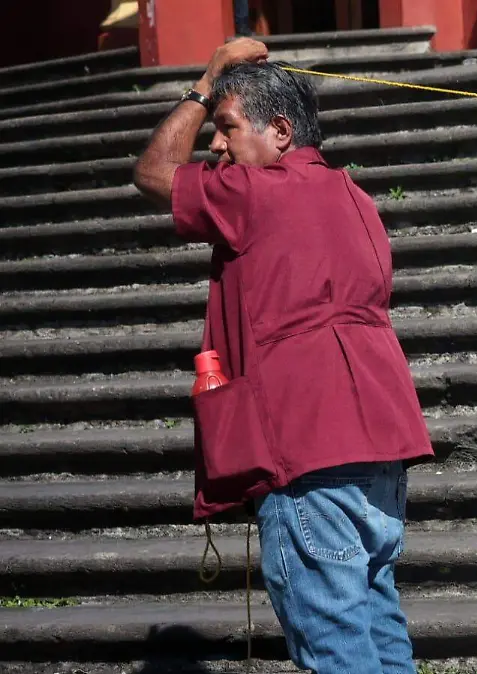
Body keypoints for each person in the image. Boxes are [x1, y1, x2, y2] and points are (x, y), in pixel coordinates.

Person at [133, 39, 434, 674]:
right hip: (380, 450)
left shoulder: (257, 191)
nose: (216, 145)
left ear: (279, 130)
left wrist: (206, 79)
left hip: (308, 451)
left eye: (226, 127)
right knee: (377, 631)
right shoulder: (356, 199)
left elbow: (153, 172)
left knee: (335, 650)